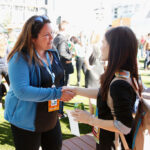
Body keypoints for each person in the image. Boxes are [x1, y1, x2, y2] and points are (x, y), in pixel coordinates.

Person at [63, 26, 142, 150]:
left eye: (103, 43)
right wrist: (76, 90)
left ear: (115, 49)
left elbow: (124, 126)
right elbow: (104, 93)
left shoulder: (119, 84)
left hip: (112, 143)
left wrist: (89, 119)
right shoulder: (124, 74)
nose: (100, 47)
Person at [4, 15, 75, 150]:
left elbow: (56, 77)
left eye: (52, 33)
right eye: (46, 35)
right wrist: (57, 93)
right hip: (25, 120)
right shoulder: (20, 58)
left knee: (55, 146)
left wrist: (63, 91)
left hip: (50, 115)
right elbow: (22, 91)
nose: (52, 38)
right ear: (32, 38)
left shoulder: (52, 52)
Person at [53, 20, 73, 118]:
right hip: (62, 68)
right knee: (62, 91)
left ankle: (57, 111)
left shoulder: (56, 38)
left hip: (57, 68)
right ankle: (59, 112)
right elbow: (62, 53)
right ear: (64, 28)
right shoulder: (61, 39)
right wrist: (71, 56)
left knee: (58, 90)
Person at [84, 31, 104, 114]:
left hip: (93, 72)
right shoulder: (101, 47)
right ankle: (95, 114)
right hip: (100, 71)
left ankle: (92, 114)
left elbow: (85, 58)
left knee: (91, 94)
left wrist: (89, 67)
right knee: (98, 94)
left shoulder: (91, 46)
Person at [0, 27, 10, 103]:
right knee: (12, 85)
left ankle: (0, 102)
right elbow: (10, 54)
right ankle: (13, 99)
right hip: (6, 67)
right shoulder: (6, 44)